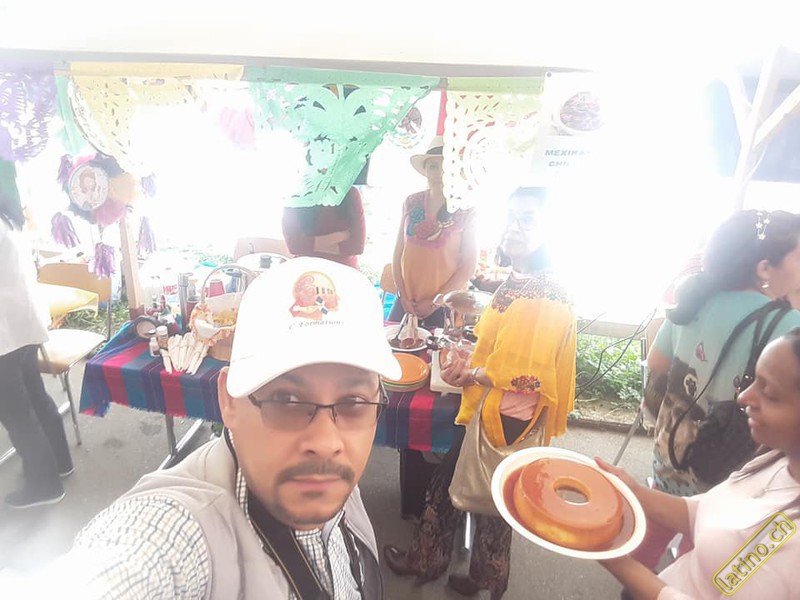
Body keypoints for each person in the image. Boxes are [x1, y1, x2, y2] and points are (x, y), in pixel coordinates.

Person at [46, 257, 401, 598]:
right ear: (229, 400)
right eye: (286, 400)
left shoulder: (322, 474)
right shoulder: (179, 533)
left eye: (353, 402)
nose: (325, 442)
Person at [383, 186, 577, 600]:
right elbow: (507, 350)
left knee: (452, 488)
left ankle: (429, 560)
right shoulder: (524, 280)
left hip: (505, 414)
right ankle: (487, 577)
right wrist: (471, 358)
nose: (514, 227)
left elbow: (525, 376)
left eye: (528, 219)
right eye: (511, 217)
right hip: (505, 410)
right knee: (497, 498)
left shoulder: (543, 294)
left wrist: (469, 373)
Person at [639, 210, 800, 569]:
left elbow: (657, 362)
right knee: (700, 549)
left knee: (651, 529)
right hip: (727, 470)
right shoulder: (789, 326)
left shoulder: (696, 300)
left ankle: (633, 582)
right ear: (764, 267)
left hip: (670, 454)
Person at [597, 329, 800, 599]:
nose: (743, 397)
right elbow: (703, 512)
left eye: (770, 393)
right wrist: (632, 491)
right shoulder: (777, 460)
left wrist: (619, 562)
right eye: (753, 381)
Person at [0, 190, 74, 509]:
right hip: (24, 324)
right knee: (35, 396)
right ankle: (59, 462)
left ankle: (44, 485)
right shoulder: (8, 216)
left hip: (6, 334)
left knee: (16, 413)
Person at [388, 135, 478, 329]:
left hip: (445, 304)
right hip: (406, 300)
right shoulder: (412, 202)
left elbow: (468, 266)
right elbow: (398, 253)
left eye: (446, 166)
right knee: (392, 342)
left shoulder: (466, 210)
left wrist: (435, 302)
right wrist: (402, 296)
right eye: (433, 166)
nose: (439, 173)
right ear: (426, 171)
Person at [282, 186, 366, 268]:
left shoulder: (351, 193)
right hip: (307, 268)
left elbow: (357, 246)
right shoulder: (294, 195)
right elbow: (294, 246)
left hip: (343, 269)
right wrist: (340, 236)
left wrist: (309, 246)